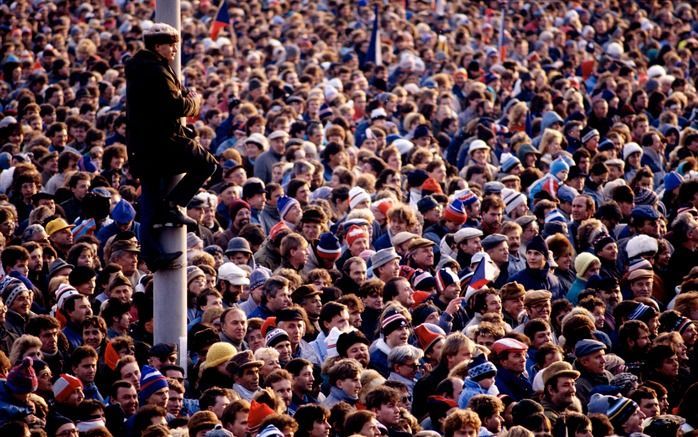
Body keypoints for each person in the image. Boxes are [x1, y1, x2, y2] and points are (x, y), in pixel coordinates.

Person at [125, 22, 217, 271]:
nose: (175, 49)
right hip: (161, 143)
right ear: (158, 46)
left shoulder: (145, 67)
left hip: (147, 146)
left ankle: (154, 256)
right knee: (207, 164)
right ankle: (174, 205)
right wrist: (194, 101)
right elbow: (174, 107)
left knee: (151, 200)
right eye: (171, 44)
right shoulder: (153, 70)